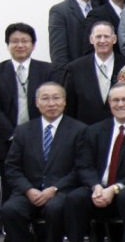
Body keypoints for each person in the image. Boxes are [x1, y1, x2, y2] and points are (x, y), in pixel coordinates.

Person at [66, 82, 125, 242]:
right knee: (75, 198)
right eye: (115, 100)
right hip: (99, 190)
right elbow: (84, 165)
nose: (120, 104)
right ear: (109, 103)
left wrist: (115, 188)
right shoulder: (94, 130)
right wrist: (96, 186)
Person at [0, 82, 86, 242]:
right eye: (45, 99)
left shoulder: (79, 130)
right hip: (29, 191)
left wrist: (55, 188)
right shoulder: (23, 130)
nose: (51, 103)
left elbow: (81, 168)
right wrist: (28, 189)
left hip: (61, 191)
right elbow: (12, 167)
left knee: (55, 208)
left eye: (56, 98)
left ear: (65, 101)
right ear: (37, 103)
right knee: (9, 210)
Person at [0, 23, 57, 183]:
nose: (20, 45)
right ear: (8, 45)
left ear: (33, 45)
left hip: (41, 137)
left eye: (25, 41)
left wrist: (34, 133)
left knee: (41, 184)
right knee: (10, 188)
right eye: (14, 41)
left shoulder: (48, 70)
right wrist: (12, 134)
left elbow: (54, 104)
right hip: (6, 140)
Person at [63, 21, 125, 125]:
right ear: (91, 39)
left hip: (119, 129)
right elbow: (69, 107)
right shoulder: (75, 68)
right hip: (85, 131)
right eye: (98, 37)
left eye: (106, 36)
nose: (102, 40)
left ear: (114, 39)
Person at [50, 0, 97, 71]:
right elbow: (58, 53)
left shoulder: (99, 8)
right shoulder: (59, 11)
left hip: (96, 73)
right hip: (72, 74)